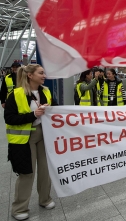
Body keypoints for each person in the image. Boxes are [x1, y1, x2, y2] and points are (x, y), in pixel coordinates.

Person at [4, 64, 58, 220]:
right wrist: (33, 114)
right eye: (41, 73)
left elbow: (56, 109)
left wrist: (51, 109)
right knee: (27, 173)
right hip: (24, 138)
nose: (44, 75)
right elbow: (9, 118)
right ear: (30, 75)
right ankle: (19, 208)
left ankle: (45, 199)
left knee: (45, 170)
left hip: (44, 135)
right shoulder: (16, 94)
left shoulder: (46, 92)